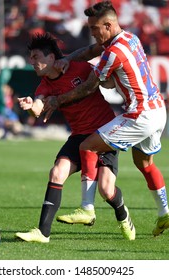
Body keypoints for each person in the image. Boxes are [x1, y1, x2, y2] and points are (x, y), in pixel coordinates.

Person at [43, 1, 169, 237]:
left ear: (108, 25)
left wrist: (56, 101)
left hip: (139, 115)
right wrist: (67, 58)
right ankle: (164, 214)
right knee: (145, 164)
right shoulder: (129, 38)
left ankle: (87, 209)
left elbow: (87, 88)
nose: (92, 33)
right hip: (158, 110)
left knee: (87, 145)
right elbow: (89, 52)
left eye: (95, 29)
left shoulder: (113, 53)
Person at [15, 32, 136, 243]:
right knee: (57, 172)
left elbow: (100, 76)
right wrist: (29, 107)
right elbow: (38, 107)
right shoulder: (45, 85)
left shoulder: (80, 67)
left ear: (51, 57)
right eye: (31, 57)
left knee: (107, 190)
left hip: (104, 133)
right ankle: (43, 232)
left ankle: (122, 213)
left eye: (36, 57)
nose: (31, 61)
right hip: (79, 135)